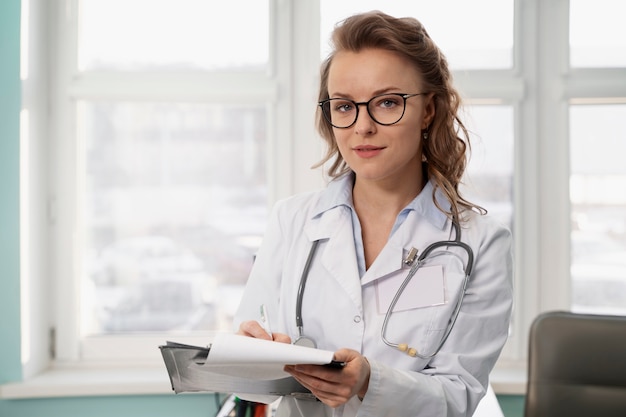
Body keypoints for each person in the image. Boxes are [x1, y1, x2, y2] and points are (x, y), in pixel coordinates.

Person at [235, 10, 513, 417]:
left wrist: (369, 382)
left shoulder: (480, 242)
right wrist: (251, 354)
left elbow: (458, 397)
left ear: (429, 111)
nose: (362, 126)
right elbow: (253, 371)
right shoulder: (291, 221)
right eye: (344, 106)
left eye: (387, 102)